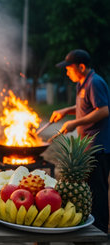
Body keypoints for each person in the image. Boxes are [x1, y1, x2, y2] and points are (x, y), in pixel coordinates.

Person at [50, 49, 110, 233]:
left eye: (69, 69)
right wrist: (65, 111)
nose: (67, 72)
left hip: (99, 147)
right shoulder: (82, 83)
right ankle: (89, 227)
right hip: (88, 147)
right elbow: (85, 105)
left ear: (81, 67)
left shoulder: (95, 82)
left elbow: (103, 110)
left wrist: (74, 123)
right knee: (89, 189)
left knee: (97, 191)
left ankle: (99, 231)